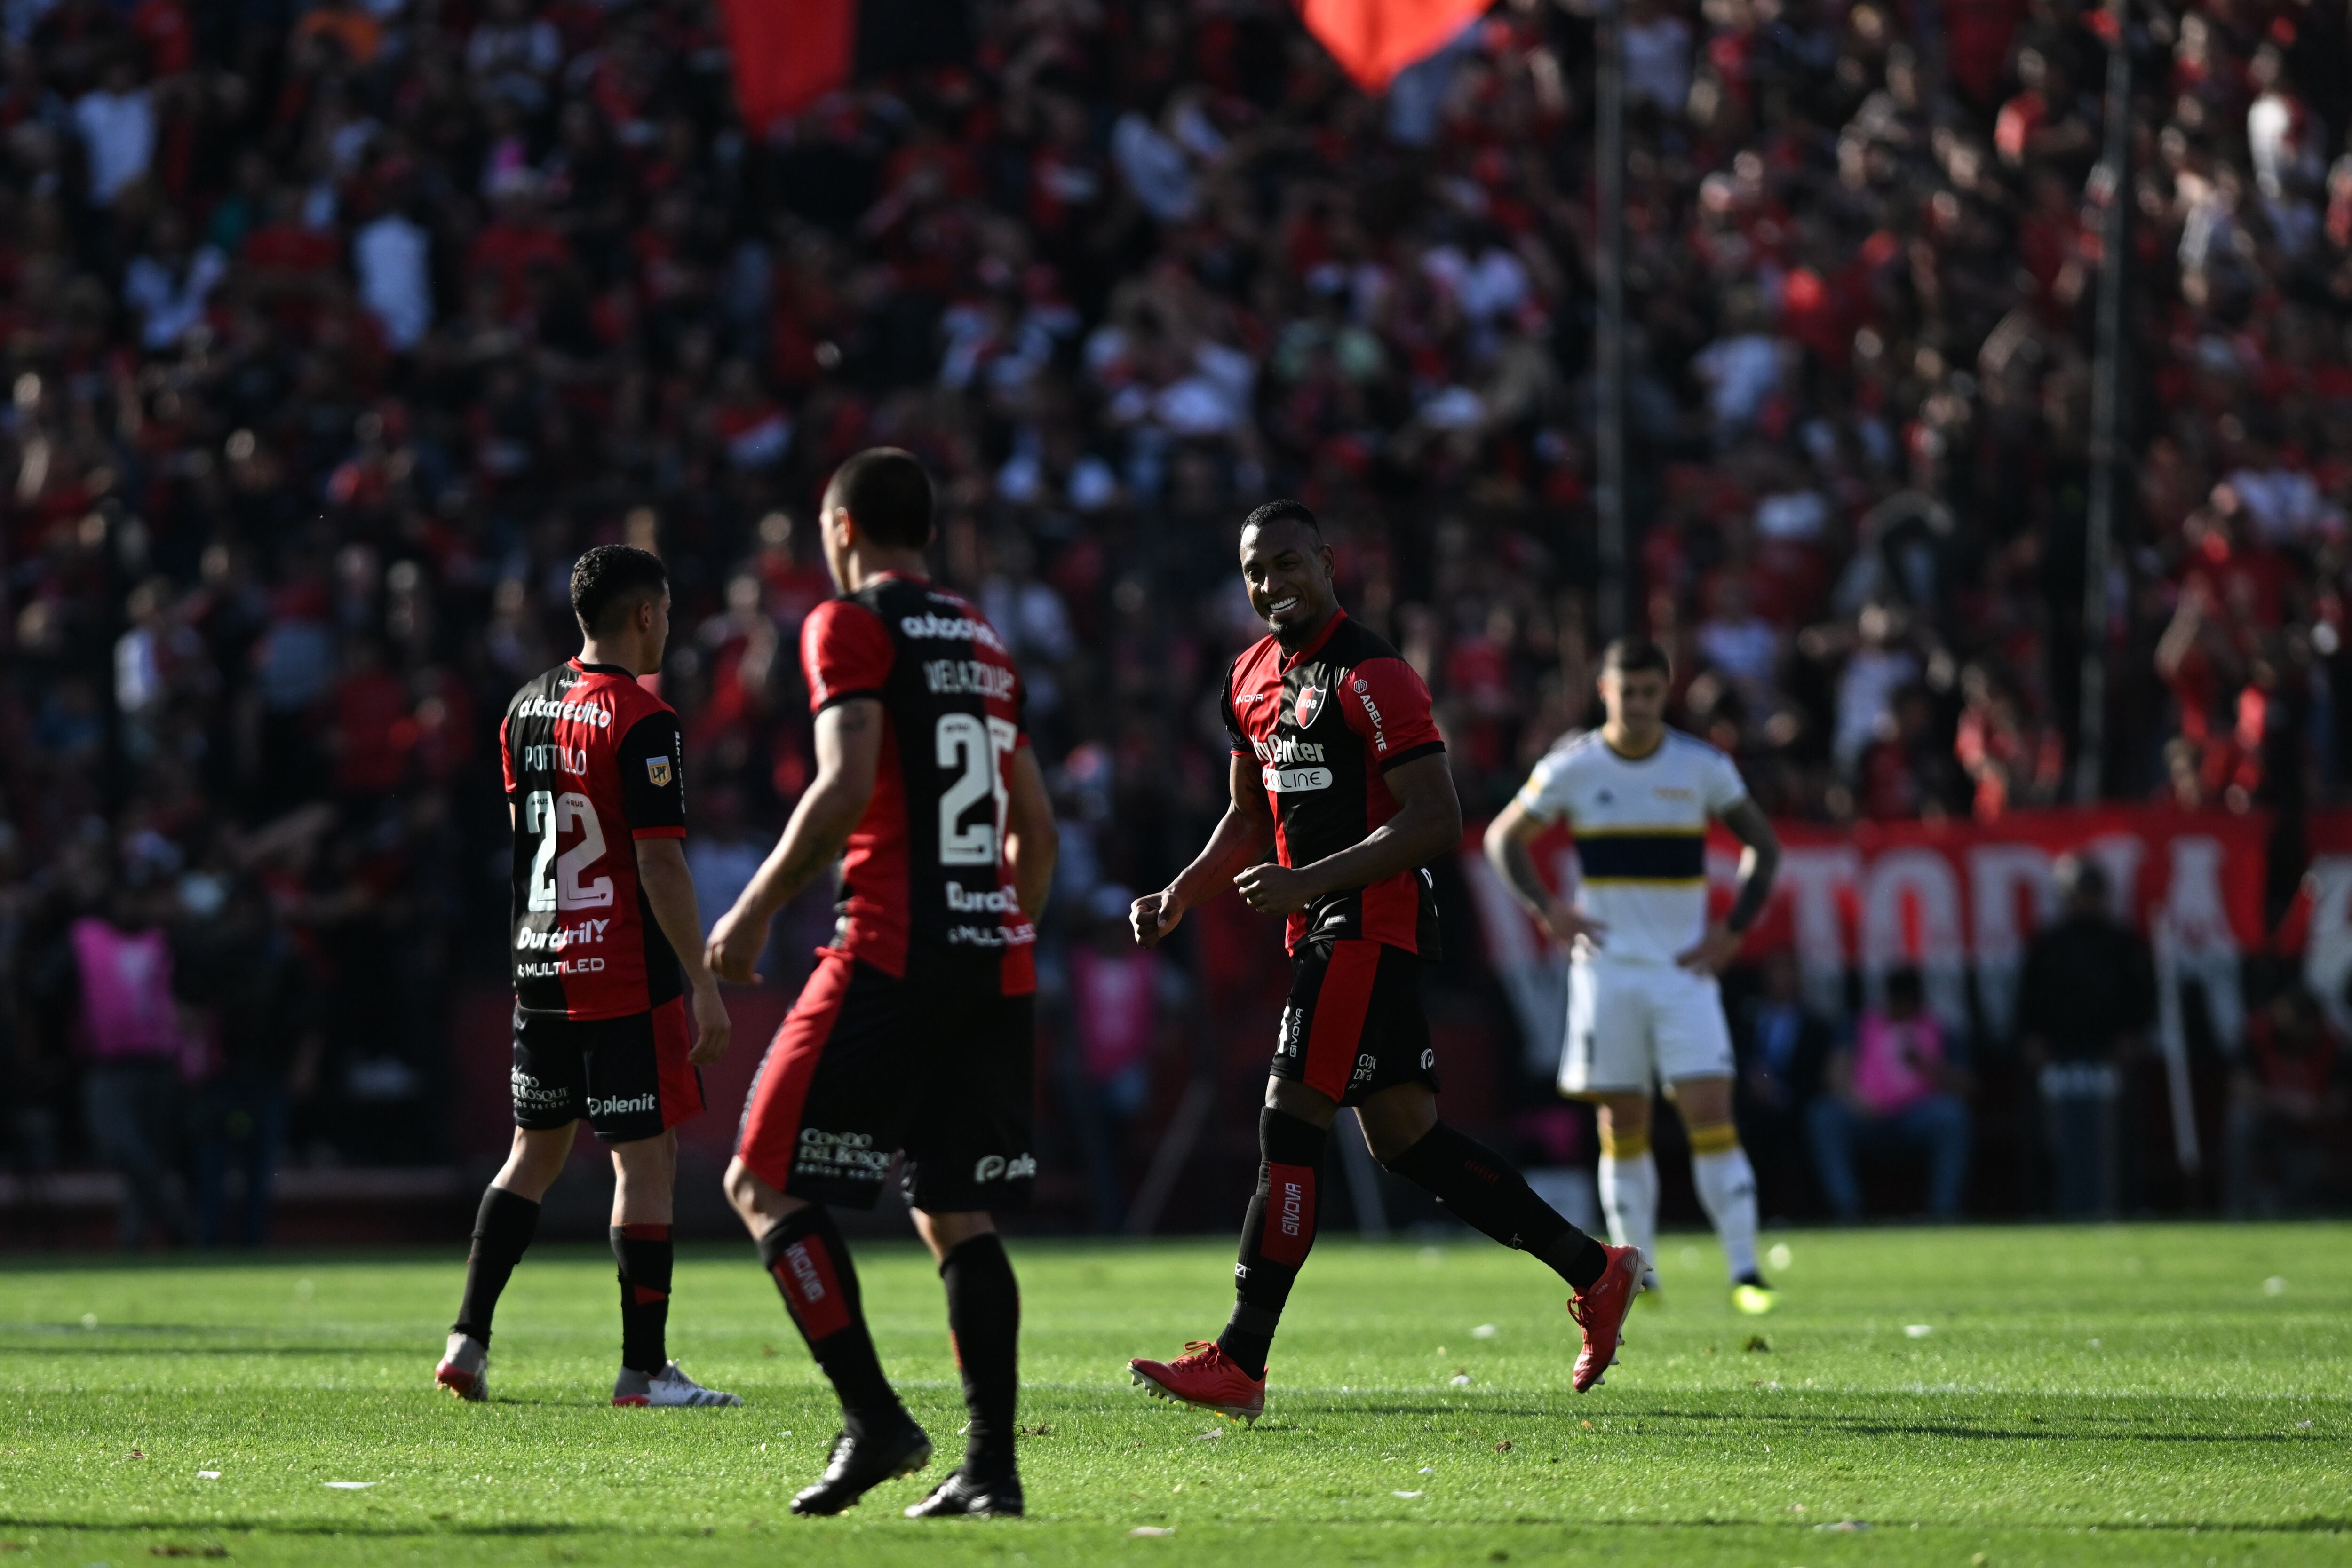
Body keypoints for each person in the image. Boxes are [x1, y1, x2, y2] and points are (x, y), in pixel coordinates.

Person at [1125, 500, 1638, 1425]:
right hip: (1323, 919)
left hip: (1368, 921)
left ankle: (1241, 1357)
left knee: (1289, 1123)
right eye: (1255, 571)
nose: (1272, 584)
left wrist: (1308, 879)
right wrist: (1180, 891)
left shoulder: (1375, 675)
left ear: (1327, 562)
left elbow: (1437, 819)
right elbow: (1245, 813)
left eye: (1288, 562)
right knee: (1409, 1140)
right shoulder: (1247, 676)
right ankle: (1594, 1269)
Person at [708, 448, 1057, 1520]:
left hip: (892, 946)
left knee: (761, 1181)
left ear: (842, 528)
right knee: (956, 1208)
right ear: (930, 533)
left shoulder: (848, 622)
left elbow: (845, 782)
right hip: (994, 954)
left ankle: (875, 1420)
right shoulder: (984, 639)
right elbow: (1035, 831)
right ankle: (991, 1469)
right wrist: (997, 929)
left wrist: (753, 908)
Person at [435, 544, 740, 1409]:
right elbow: (659, 863)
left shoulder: (522, 707)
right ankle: (644, 1370)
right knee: (646, 1159)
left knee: (532, 1152)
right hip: (622, 974)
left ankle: (467, 1339)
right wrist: (704, 981)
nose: (669, 626)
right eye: (666, 611)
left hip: (541, 965)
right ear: (644, 614)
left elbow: (531, 834)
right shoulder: (644, 718)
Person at [1484, 636, 1785, 1313]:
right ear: (1605, 691)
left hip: (1683, 970)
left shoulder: (1700, 765)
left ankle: (1745, 1269)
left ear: (1665, 691)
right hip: (1609, 971)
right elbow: (1504, 838)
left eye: (1651, 692)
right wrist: (1547, 908)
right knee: (1623, 1119)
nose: (1640, 705)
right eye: (1629, 692)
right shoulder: (1574, 765)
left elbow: (1763, 846)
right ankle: (1637, 1272)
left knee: (1709, 1109)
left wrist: (1733, 930)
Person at [2015, 856, 2155, 1218]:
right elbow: (2028, 1002)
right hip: (2059, 1053)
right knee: (2048, 1133)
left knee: (2118, 1132)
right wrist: (2034, 1040)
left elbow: (2142, 999)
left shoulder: (2124, 943)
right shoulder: (2047, 944)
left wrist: (2131, 1037)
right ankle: (2045, 1206)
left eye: (2093, 894)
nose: (2087, 901)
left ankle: (2123, 1202)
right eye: (2081, 894)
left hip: (2109, 1054)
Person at [1806, 967, 1973, 1220]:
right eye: (1896, 999)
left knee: (1952, 1116)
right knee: (1824, 1115)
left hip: (1917, 1120)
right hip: (1866, 1117)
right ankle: (1847, 1211)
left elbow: (1968, 1087)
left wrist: (1927, 1065)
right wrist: (1858, 1101)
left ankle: (1944, 1212)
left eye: (1907, 1001)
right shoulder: (1859, 1024)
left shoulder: (1938, 1027)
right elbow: (1834, 1075)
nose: (1901, 1007)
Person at [1730, 950, 1833, 1221]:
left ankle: (1812, 1214)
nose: (1784, 979)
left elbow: (1817, 1077)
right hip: (1749, 1110)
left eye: (1790, 971)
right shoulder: (1746, 1020)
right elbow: (1735, 1061)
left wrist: (1781, 1094)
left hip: (1796, 1109)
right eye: (1777, 971)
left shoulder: (1816, 1026)